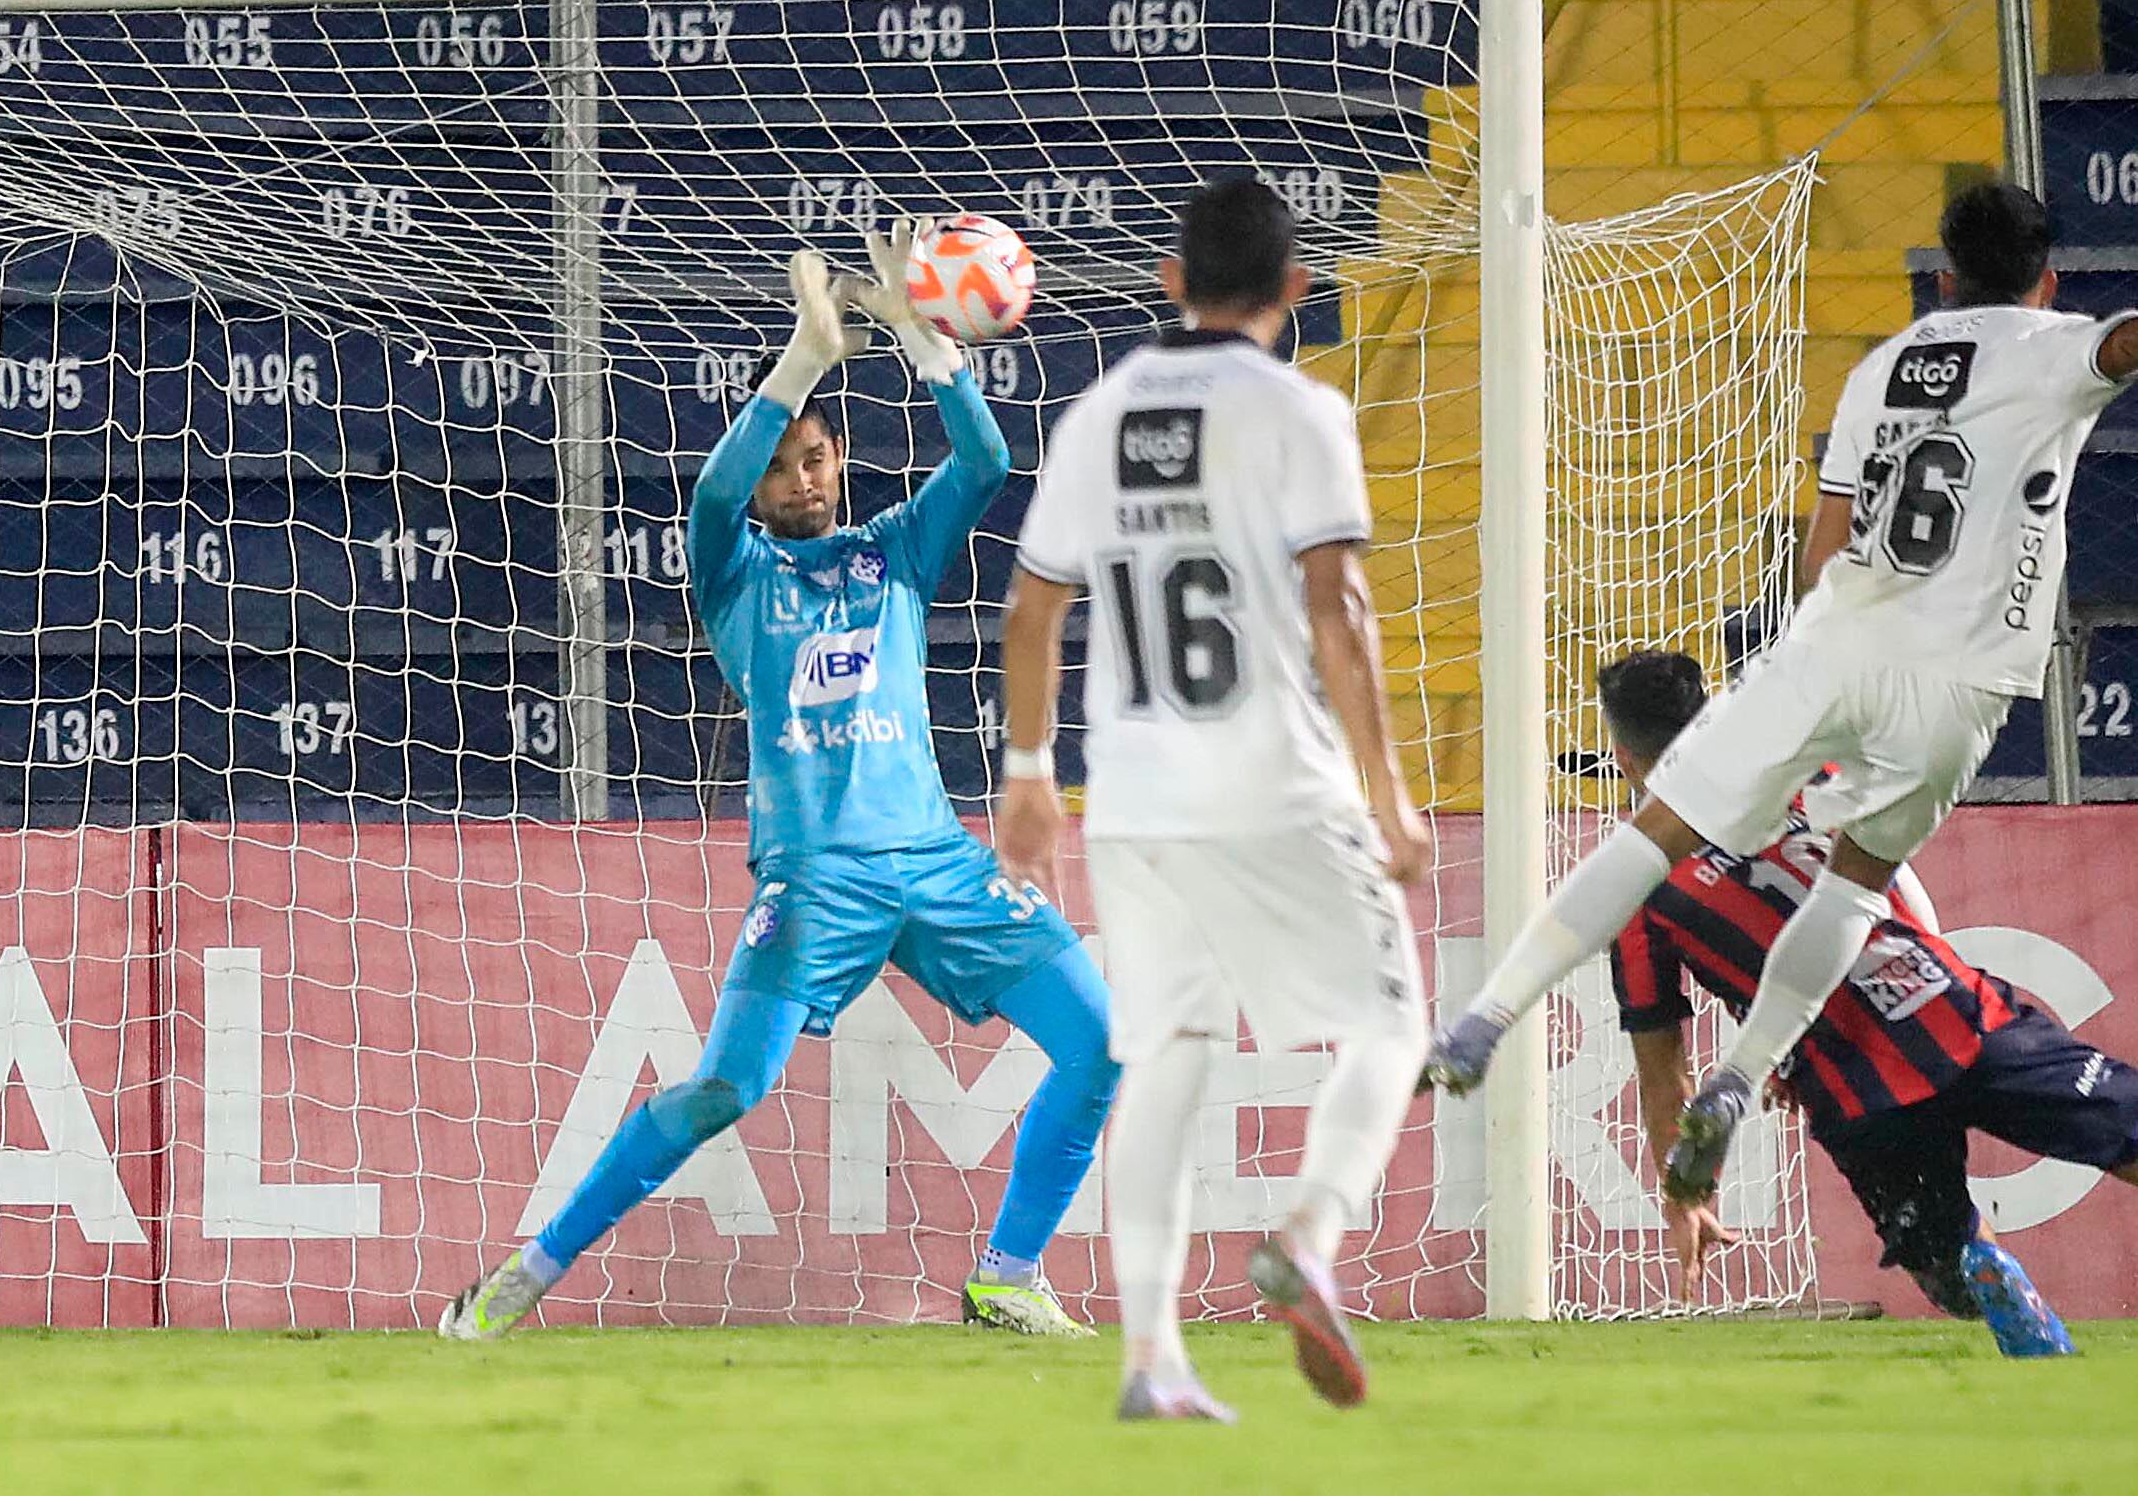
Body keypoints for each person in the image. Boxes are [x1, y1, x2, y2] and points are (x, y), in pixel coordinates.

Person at [441, 222, 1117, 1342]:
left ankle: (1006, 1271)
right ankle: (531, 1267)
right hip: (813, 878)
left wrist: (918, 336)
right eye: (780, 465)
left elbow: (988, 463)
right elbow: (704, 498)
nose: (803, 477)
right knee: (723, 1088)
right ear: (758, 487)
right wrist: (803, 357)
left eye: (816, 455)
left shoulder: (893, 550)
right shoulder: (737, 570)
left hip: (936, 860)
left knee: (1101, 1040)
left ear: (838, 461)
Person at [1433, 182, 2138, 1211]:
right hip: (1955, 677)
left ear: (1940, 279)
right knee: (1853, 884)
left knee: (1655, 830)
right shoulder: (2054, 347)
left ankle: (1484, 1016)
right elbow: (2118, 347)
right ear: (2048, 278)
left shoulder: (1877, 372)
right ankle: (1734, 1076)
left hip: (1835, 637)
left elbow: (1819, 552)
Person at [1001, 175, 1435, 1423]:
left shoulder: (1095, 414)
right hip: (1271, 778)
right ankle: (1307, 1233)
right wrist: (1391, 797)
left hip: (1130, 792)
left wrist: (1030, 778)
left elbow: (1034, 608)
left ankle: (1149, 1355)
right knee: (1392, 1026)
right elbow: (1337, 609)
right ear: (1298, 290)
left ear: (1168, 280)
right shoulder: (1299, 410)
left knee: (1168, 1056)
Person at [1593, 648, 2124, 1357]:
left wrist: (1684, 1193)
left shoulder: (1634, 888)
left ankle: (1987, 1272)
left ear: (1625, 758)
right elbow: (1896, 879)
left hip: (1850, 1084)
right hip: (1946, 1007)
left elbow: (1665, 1075)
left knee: (1948, 1268)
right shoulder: (1812, 778)